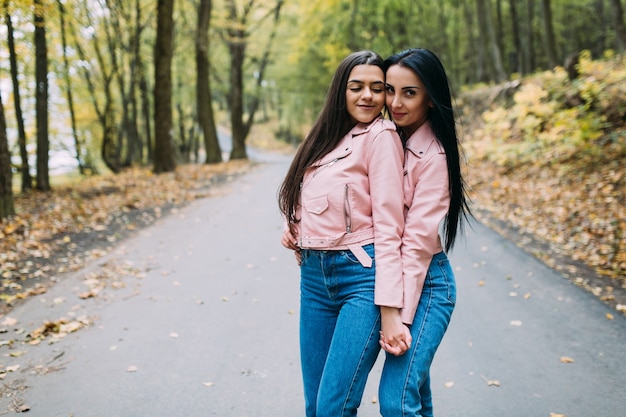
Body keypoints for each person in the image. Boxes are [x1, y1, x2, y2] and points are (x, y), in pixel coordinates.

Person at [278, 50, 407, 417]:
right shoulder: (326, 137)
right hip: (314, 280)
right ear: (341, 91)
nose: (367, 95)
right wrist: (296, 228)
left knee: (334, 406)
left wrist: (390, 308)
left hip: (361, 279)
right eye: (357, 87)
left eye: (376, 88)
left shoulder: (381, 136)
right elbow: (317, 196)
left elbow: (389, 223)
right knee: (315, 405)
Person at [377, 48, 472, 417]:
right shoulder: (386, 138)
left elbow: (415, 247)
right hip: (399, 278)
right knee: (416, 393)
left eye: (409, 93)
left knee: (397, 400)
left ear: (430, 98)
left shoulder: (433, 157)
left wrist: (396, 314)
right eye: (390, 90)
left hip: (427, 284)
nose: (395, 102)